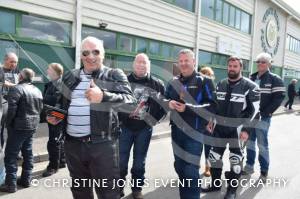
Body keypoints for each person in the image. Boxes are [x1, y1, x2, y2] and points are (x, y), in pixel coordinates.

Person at [52, 36, 135, 199]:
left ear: (103, 54)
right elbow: (61, 104)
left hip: (102, 145)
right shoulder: (70, 76)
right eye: (86, 52)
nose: (90, 56)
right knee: (80, 192)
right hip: (73, 145)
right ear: (81, 56)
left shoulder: (113, 74)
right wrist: (56, 117)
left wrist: (104, 96)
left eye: (95, 52)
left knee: (108, 193)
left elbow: (131, 103)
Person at [202, 56, 260, 199]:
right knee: (214, 157)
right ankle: (215, 184)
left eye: (235, 66)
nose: (232, 68)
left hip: (238, 130)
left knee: (236, 160)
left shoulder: (251, 87)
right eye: (230, 66)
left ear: (241, 68)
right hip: (219, 128)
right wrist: (210, 120)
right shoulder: (220, 84)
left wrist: (247, 130)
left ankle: (231, 191)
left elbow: (255, 112)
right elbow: (214, 106)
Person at [165, 49, 217, 199]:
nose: (183, 64)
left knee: (191, 170)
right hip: (176, 132)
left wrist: (188, 108)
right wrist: (168, 103)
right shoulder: (173, 81)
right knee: (180, 167)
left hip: (195, 132)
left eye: (186, 60)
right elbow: (164, 100)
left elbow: (213, 106)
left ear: (194, 62)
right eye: (180, 61)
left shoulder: (205, 81)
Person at [119, 53, 166, 199]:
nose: (141, 65)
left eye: (144, 63)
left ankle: (137, 189)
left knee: (139, 162)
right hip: (124, 128)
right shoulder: (123, 81)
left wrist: (154, 121)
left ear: (148, 65)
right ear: (133, 64)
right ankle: (118, 188)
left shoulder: (157, 84)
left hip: (144, 130)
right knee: (120, 161)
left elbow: (164, 106)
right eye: (138, 62)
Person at [243, 53, 285, 182]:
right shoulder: (251, 77)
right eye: (258, 61)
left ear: (269, 64)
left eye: (263, 62)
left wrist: (267, 112)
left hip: (263, 117)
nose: (260, 64)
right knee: (249, 142)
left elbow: (279, 97)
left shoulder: (275, 78)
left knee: (262, 144)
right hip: (250, 117)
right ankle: (249, 167)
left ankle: (264, 170)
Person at [0, 68, 43, 193]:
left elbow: (11, 110)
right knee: (28, 153)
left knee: (11, 155)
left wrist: (8, 124)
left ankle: (10, 184)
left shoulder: (16, 89)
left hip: (18, 127)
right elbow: (40, 109)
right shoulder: (37, 90)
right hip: (32, 126)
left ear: (20, 77)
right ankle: (26, 180)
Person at [42, 63, 66, 177]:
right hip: (50, 116)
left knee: (53, 142)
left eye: (49, 69)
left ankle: (53, 166)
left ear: (55, 72)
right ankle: (61, 161)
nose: (47, 71)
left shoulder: (62, 85)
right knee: (58, 141)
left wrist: (57, 118)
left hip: (57, 119)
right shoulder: (50, 84)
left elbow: (62, 104)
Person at [199, 66, 215, 177]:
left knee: (208, 147)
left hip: (209, 122)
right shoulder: (196, 88)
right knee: (196, 146)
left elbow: (215, 106)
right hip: (197, 122)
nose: (206, 77)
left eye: (208, 75)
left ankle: (207, 167)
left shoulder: (214, 88)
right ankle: (195, 166)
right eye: (203, 74)